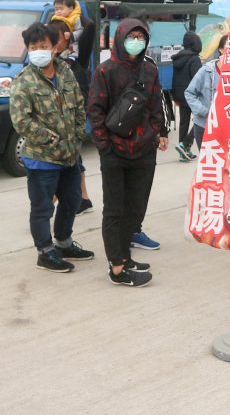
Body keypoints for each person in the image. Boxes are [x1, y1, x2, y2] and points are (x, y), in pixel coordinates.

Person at [88, 19, 168, 287]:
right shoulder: (105, 70)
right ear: (120, 37)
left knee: (135, 208)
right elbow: (95, 110)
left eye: (140, 36)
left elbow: (157, 103)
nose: (136, 40)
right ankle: (118, 267)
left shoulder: (149, 70)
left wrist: (156, 132)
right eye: (131, 36)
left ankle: (126, 254)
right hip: (115, 152)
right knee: (114, 209)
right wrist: (104, 146)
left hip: (144, 150)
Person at [9, 22, 95, 273]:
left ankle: (64, 242)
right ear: (27, 49)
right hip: (42, 158)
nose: (39, 50)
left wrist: (79, 133)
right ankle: (45, 252)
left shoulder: (65, 72)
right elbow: (21, 120)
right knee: (43, 207)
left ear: (54, 47)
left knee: (71, 200)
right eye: (33, 47)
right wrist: (50, 138)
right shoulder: (23, 81)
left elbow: (79, 103)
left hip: (70, 155)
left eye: (43, 46)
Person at [50, 16, 94, 213]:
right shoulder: (51, 62)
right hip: (55, 121)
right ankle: (83, 199)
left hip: (74, 119)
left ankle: (48, 204)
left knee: (68, 161)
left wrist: (75, 12)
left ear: (67, 37)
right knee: (73, 160)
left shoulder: (78, 59)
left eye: (56, 38)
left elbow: (91, 27)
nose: (53, 43)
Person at [185, 35, 226, 149]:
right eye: (228, 48)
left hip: (228, 127)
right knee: (208, 164)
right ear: (221, 49)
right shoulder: (207, 70)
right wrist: (204, 111)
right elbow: (189, 93)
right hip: (204, 125)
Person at [169, 31, 203, 162]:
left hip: (180, 95)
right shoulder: (194, 59)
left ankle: (183, 151)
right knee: (200, 121)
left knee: (184, 122)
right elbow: (198, 79)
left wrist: (174, 95)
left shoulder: (178, 58)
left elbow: (175, 78)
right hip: (193, 96)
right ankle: (186, 144)